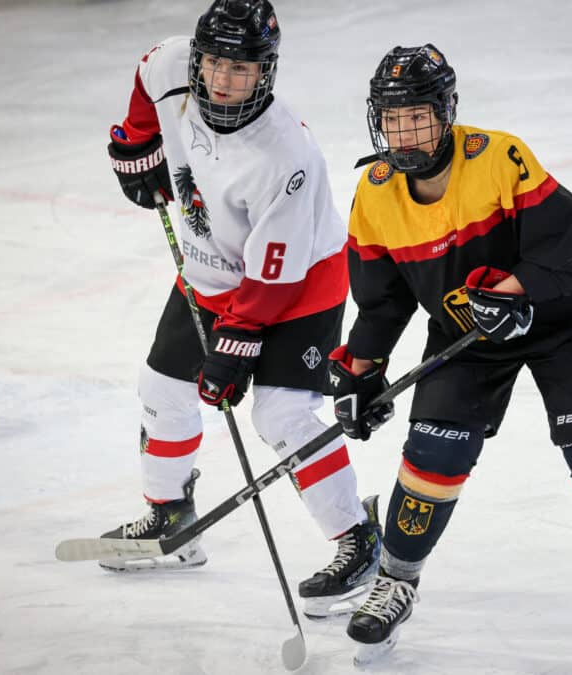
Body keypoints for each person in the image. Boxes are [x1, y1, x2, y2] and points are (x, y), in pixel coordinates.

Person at [326, 44, 572, 664]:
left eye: (418, 116)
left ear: (446, 112)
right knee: (434, 452)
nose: (405, 132)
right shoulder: (376, 190)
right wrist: (361, 373)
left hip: (568, 322)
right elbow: (383, 301)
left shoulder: (499, 156)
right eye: (393, 119)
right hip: (469, 329)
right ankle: (394, 581)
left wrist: (517, 290)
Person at [99, 0, 380, 619]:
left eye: (243, 68)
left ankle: (359, 542)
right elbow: (148, 77)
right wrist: (137, 142)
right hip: (210, 269)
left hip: (300, 281)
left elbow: (273, 273)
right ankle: (172, 519)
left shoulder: (286, 155)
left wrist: (235, 346)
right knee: (163, 390)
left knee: (281, 413)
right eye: (216, 63)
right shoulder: (174, 65)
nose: (224, 80)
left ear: (267, 72)